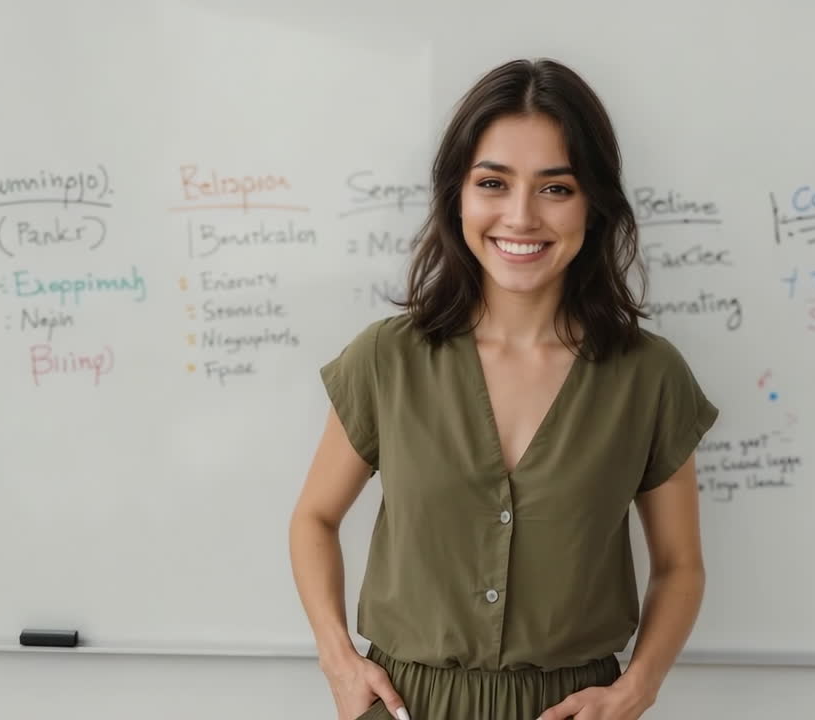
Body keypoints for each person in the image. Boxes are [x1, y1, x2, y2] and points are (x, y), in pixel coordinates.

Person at [289, 58, 718, 720]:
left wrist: (638, 688)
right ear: (457, 194)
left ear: (593, 204)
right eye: (493, 182)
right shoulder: (387, 358)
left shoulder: (649, 376)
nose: (520, 217)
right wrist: (338, 661)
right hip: (404, 704)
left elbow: (680, 565)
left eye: (555, 188)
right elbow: (313, 519)